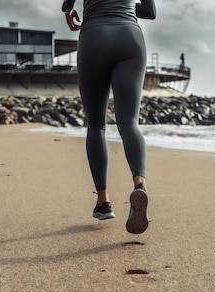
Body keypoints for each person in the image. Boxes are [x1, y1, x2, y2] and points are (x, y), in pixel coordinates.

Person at [62, 0, 156, 234]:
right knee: (129, 122)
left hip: (94, 35)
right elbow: (150, 12)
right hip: (130, 37)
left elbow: (67, 4)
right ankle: (139, 184)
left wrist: (68, 11)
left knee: (96, 124)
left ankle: (103, 202)